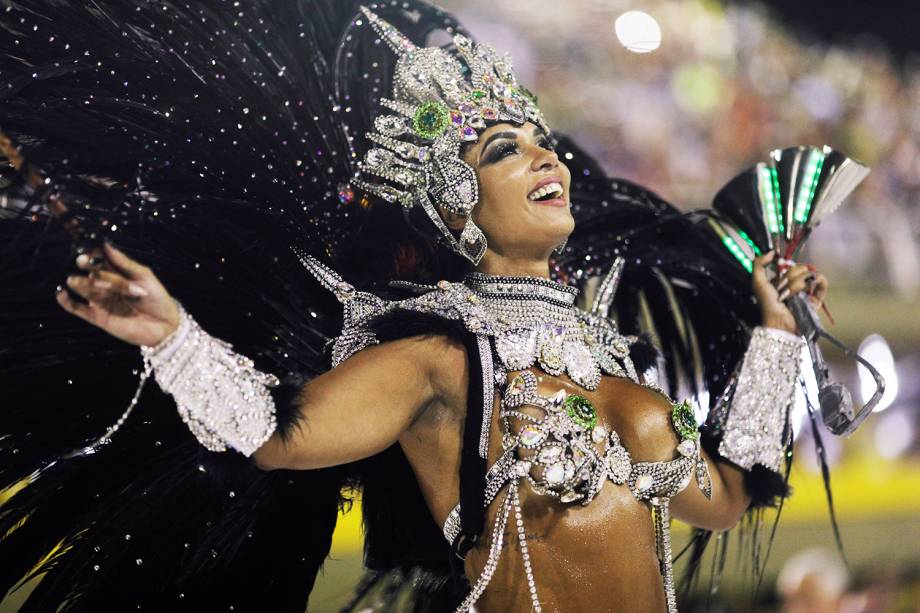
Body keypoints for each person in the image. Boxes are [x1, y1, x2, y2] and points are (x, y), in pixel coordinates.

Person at [0, 2, 829, 611]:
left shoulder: (614, 357)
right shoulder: (442, 358)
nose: (545, 154)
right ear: (458, 204)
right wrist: (172, 335)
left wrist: (779, 335)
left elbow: (722, 494)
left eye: (541, 140)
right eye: (506, 150)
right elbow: (275, 435)